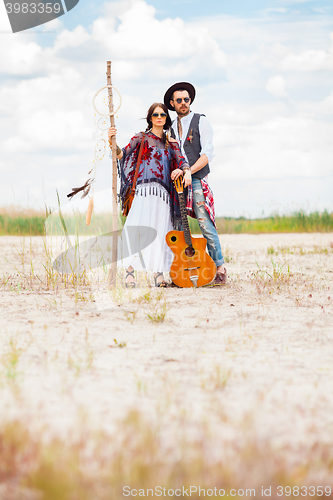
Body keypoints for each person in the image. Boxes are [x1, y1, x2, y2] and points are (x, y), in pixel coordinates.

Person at [108, 102, 191, 287]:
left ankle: (158, 274)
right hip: (143, 193)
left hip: (163, 197)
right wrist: (112, 142)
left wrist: (185, 171)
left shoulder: (172, 143)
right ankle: (130, 273)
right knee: (136, 230)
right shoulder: (141, 138)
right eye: (155, 114)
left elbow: (183, 161)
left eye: (162, 114)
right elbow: (123, 154)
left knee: (162, 232)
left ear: (166, 119)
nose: (159, 117)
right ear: (150, 118)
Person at [164, 82, 227, 285]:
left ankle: (220, 268)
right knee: (180, 226)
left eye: (187, 100)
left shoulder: (201, 121)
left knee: (205, 223)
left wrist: (189, 171)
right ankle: (181, 270)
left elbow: (207, 153)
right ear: (172, 104)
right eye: (179, 100)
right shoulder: (170, 127)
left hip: (197, 178)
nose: (184, 103)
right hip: (178, 183)